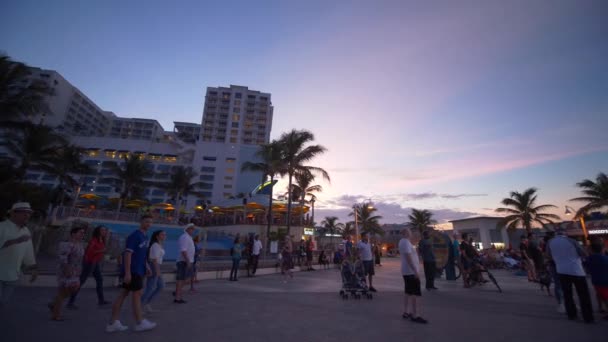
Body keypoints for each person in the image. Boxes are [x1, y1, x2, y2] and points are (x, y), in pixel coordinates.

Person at [106, 215, 156, 332]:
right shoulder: (135, 236)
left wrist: (147, 266)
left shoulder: (145, 237)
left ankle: (113, 322)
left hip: (139, 269)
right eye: (146, 222)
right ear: (141, 222)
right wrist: (127, 273)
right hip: (133, 270)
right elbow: (127, 254)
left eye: (150, 222)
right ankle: (140, 322)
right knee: (136, 295)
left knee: (123, 294)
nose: (148, 224)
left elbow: (142, 254)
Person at [546, 227, 594, 323]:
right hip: (576, 271)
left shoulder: (550, 242)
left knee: (567, 294)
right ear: (565, 233)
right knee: (583, 295)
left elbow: (549, 255)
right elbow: (583, 253)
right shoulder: (572, 241)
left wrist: (559, 260)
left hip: (561, 271)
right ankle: (588, 317)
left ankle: (571, 314)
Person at [0, 202, 38, 308]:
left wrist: (33, 268)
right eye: (24, 213)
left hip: (13, 275)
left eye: (29, 213)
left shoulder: (26, 230)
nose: (27, 216)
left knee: (3, 303)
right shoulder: (2, 227)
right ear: (13, 214)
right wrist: (15, 241)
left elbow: (28, 251)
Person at [67, 225, 110, 309]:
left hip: (95, 263)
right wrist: (101, 251)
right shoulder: (94, 240)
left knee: (99, 280)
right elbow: (89, 252)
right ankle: (70, 302)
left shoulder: (102, 240)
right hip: (89, 263)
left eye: (105, 230)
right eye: (102, 230)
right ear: (98, 231)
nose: (104, 232)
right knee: (81, 281)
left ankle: (101, 300)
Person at [49, 225, 85, 321]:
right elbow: (63, 258)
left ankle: (54, 303)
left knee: (74, 287)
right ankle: (56, 314)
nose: (82, 235)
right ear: (73, 234)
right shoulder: (67, 244)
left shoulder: (79, 244)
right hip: (67, 269)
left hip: (75, 270)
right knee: (63, 291)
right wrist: (67, 269)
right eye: (80, 232)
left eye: (83, 233)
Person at [399, 228, 428, 324]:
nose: (411, 233)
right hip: (411, 272)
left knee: (408, 292)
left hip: (406, 271)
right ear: (406, 233)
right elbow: (408, 257)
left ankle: (406, 311)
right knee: (415, 293)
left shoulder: (402, 242)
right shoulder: (406, 242)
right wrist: (415, 271)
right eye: (410, 231)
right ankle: (415, 315)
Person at [141, 230, 166, 313]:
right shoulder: (155, 245)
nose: (164, 236)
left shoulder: (159, 245)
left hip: (157, 266)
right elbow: (154, 259)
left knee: (161, 286)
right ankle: (140, 306)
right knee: (150, 288)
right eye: (162, 235)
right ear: (157, 236)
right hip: (154, 266)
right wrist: (157, 271)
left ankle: (147, 303)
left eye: (164, 235)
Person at [585, 240, 608, 320]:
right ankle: (603, 309)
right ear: (602, 249)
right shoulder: (605, 258)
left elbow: (587, 269)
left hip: (597, 280)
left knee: (601, 295)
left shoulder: (590, 259)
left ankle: (600, 308)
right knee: (604, 296)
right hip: (604, 280)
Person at [174, 223, 195, 303]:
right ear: (187, 229)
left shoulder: (189, 237)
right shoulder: (185, 237)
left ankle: (178, 293)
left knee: (185, 279)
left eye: (193, 228)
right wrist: (188, 261)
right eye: (191, 228)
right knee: (181, 279)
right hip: (184, 262)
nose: (193, 230)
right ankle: (177, 296)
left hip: (187, 261)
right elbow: (183, 250)